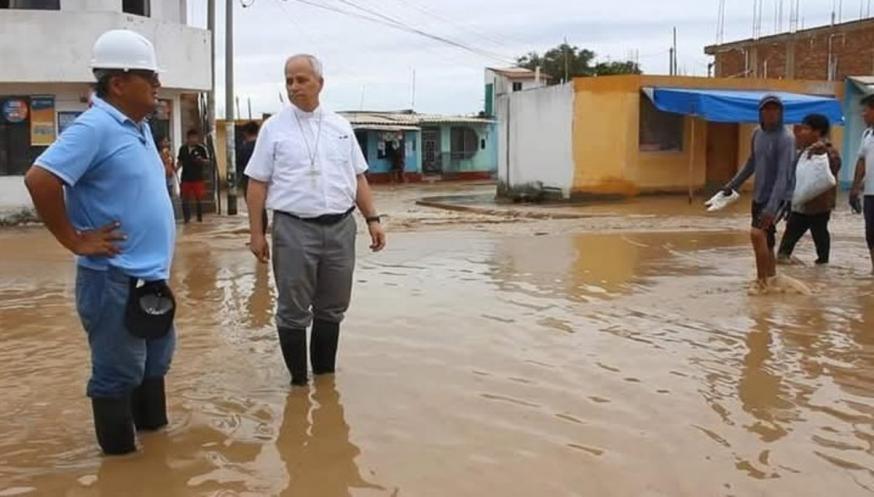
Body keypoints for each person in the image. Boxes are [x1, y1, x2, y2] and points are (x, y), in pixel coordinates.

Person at [23, 29, 177, 455]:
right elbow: (40, 179)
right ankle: (121, 468)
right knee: (117, 374)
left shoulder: (139, 127)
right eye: (150, 77)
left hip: (151, 278)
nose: (158, 85)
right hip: (112, 278)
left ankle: (157, 460)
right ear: (119, 83)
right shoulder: (95, 127)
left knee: (153, 366)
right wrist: (74, 239)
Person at [244, 54, 386, 386]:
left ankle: (324, 380)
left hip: (340, 228)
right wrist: (256, 233)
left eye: (301, 80)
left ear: (320, 83)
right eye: (289, 80)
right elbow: (257, 184)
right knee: (293, 308)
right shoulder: (274, 129)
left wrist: (373, 219)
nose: (294, 87)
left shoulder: (340, 127)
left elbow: (359, 177)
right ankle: (298, 384)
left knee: (332, 307)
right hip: (293, 228)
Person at [722, 95, 796, 289]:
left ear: (780, 113)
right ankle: (771, 280)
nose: (770, 113)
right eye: (766, 109)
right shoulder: (756, 134)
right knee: (768, 241)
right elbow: (751, 162)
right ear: (760, 112)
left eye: (774, 109)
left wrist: (772, 209)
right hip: (759, 195)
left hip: (779, 198)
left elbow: (783, 176)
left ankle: (761, 281)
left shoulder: (786, 139)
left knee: (757, 234)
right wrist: (732, 185)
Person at [777, 114, 841, 265]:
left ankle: (822, 271)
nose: (801, 132)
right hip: (800, 205)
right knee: (785, 247)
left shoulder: (828, 151)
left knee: (820, 238)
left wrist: (823, 150)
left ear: (817, 132)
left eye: (806, 129)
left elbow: (834, 167)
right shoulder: (804, 151)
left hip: (819, 206)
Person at [849, 94, 874, 274]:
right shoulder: (867, 134)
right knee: (870, 233)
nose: (863, 115)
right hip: (870, 193)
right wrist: (854, 189)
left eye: (866, 111)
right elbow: (861, 161)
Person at [236, 121, 266, 235]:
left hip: (249, 179)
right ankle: (261, 233)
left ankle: (257, 234)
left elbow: (239, 163)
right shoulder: (262, 145)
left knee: (253, 208)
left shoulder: (245, 147)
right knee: (262, 208)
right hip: (263, 179)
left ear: (246, 133)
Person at [177, 129, 210, 223]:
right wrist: (175, 168)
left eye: (195, 137)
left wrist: (201, 161)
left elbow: (208, 161)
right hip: (185, 177)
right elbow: (180, 161)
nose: (194, 139)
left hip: (198, 178)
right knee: (184, 199)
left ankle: (199, 219)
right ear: (188, 138)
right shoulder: (182, 149)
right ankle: (186, 219)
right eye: (192, 137)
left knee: (199, 199)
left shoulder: (202, 148)